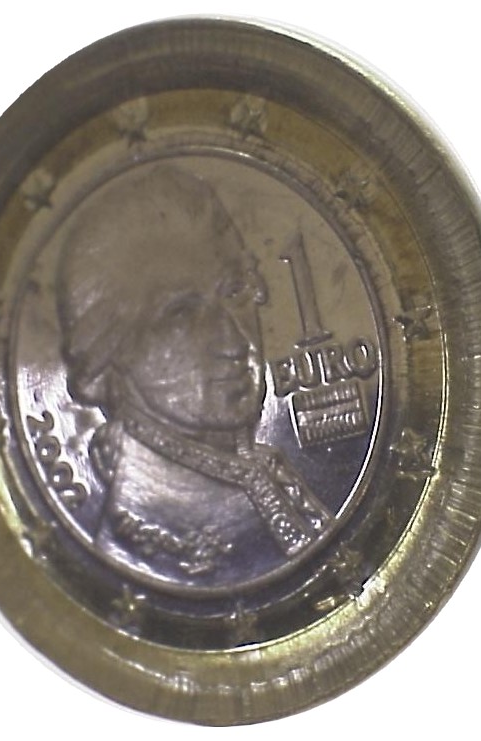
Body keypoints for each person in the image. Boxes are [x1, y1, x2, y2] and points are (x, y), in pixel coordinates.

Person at [56, 164, 330, 588]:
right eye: (181, 313)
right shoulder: (139, 547)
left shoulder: (262, 469)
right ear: (113, 347)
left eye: (235, 291)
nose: (235, 341)